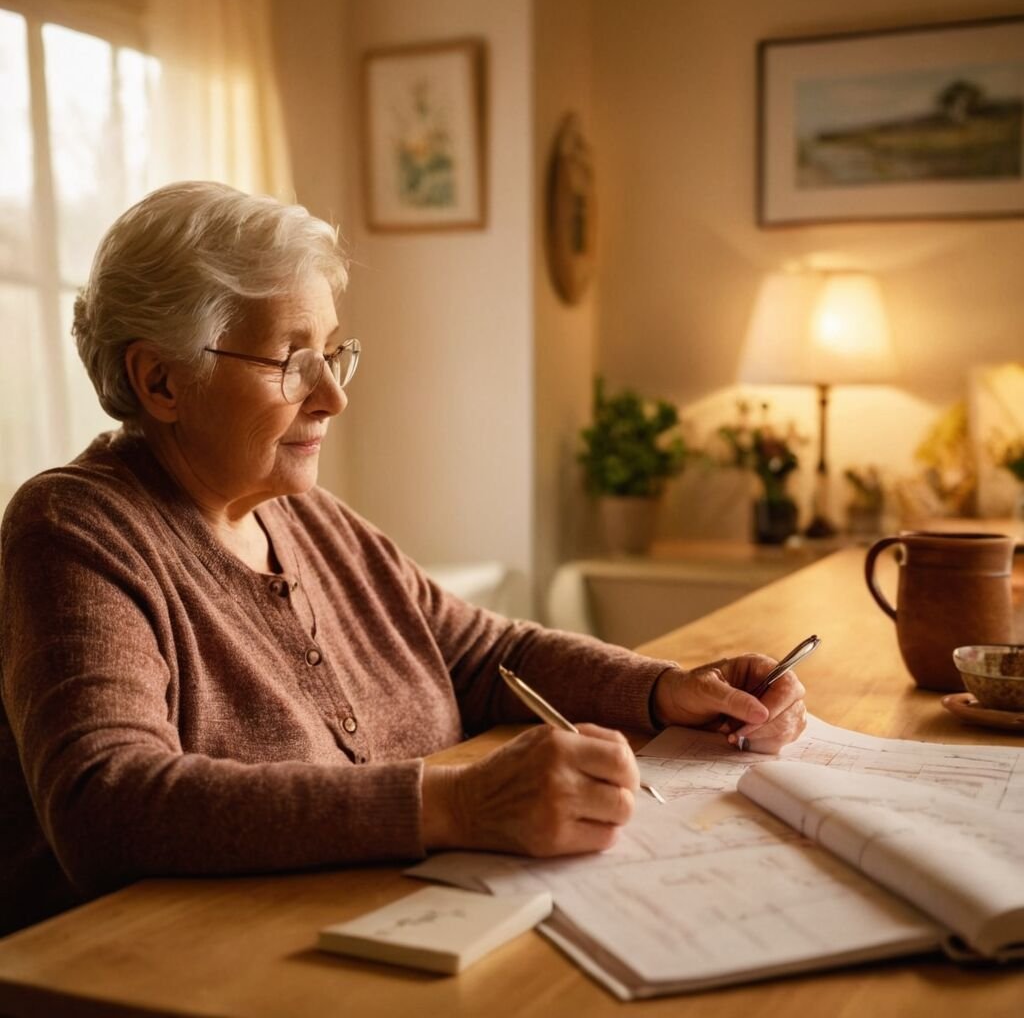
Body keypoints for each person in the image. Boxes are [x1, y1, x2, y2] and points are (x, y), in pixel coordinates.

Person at [0, 182, 806, 936]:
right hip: (171, 974)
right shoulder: (75, 528)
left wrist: (666, 689)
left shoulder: (312, 520)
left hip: (401, 931)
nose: (332, 396)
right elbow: (105, 801)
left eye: (333, 353)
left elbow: (492, 656)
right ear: (161, 381)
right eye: (290, 359)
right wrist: (453, 803)